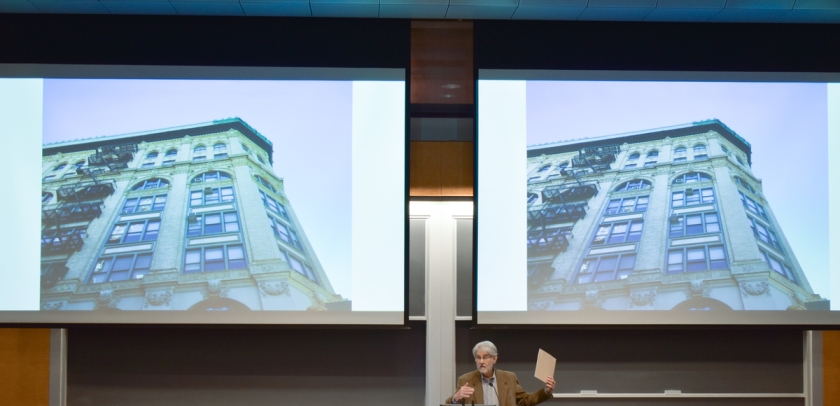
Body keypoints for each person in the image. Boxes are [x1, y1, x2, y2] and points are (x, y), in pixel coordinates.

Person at [446, 341, 555, 406]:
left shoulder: (509, 378)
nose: (481, 361)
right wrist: (455, 398)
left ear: (494, 359)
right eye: (478, 358)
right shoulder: (466, 380)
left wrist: (546, 391)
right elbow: (448, 404)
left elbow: (525, 400)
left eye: (486, 357)